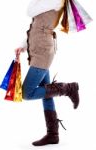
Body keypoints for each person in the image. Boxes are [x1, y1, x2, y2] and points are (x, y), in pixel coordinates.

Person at [15, 0, 79, 146]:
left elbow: (31, 12)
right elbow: (36, 26)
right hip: (38, 50)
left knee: (27, 93)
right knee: (47, 93)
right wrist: (23, 45)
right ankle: (53, 134)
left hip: (43, 52)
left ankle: (69, 88)